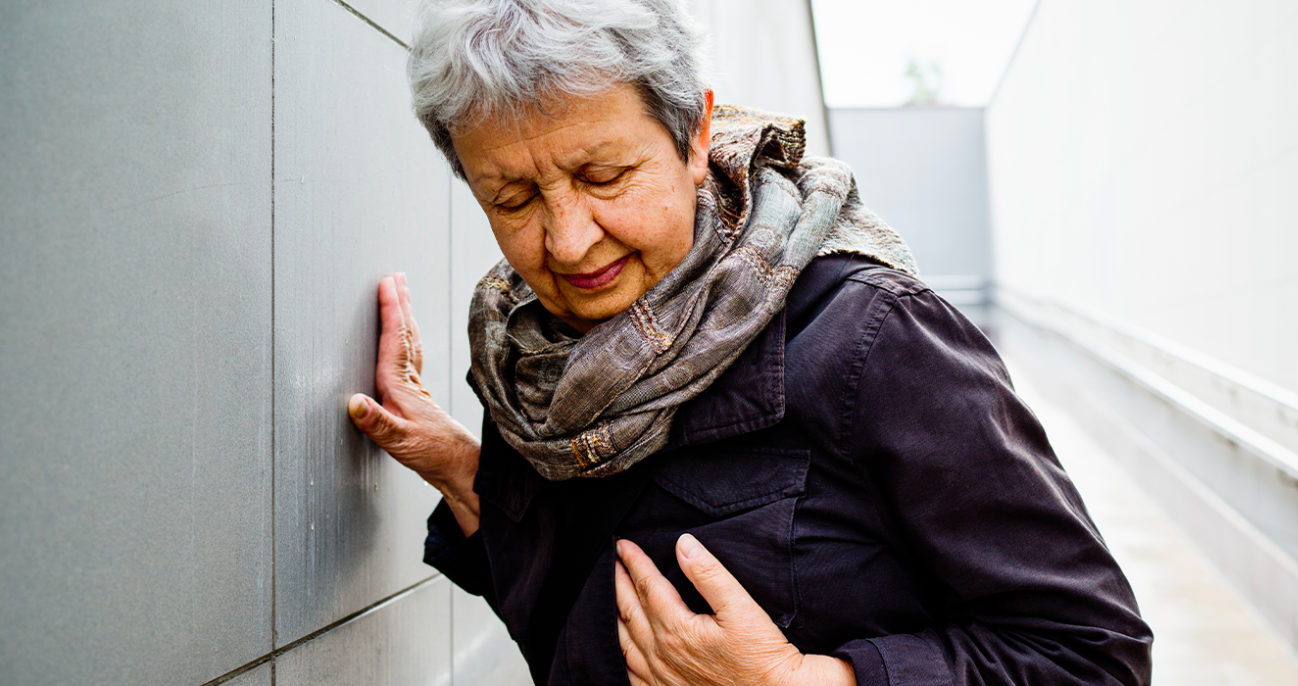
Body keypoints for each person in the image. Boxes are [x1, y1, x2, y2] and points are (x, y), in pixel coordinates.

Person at [347, 0, 1153, 683]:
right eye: (513, 197)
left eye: (603, 177)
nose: (567, 242)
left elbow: (1092, 653)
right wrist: (466, 471)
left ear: (695, 137)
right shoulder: (534, 366)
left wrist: (807, 681)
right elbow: (570, 610)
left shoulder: (871, 336)